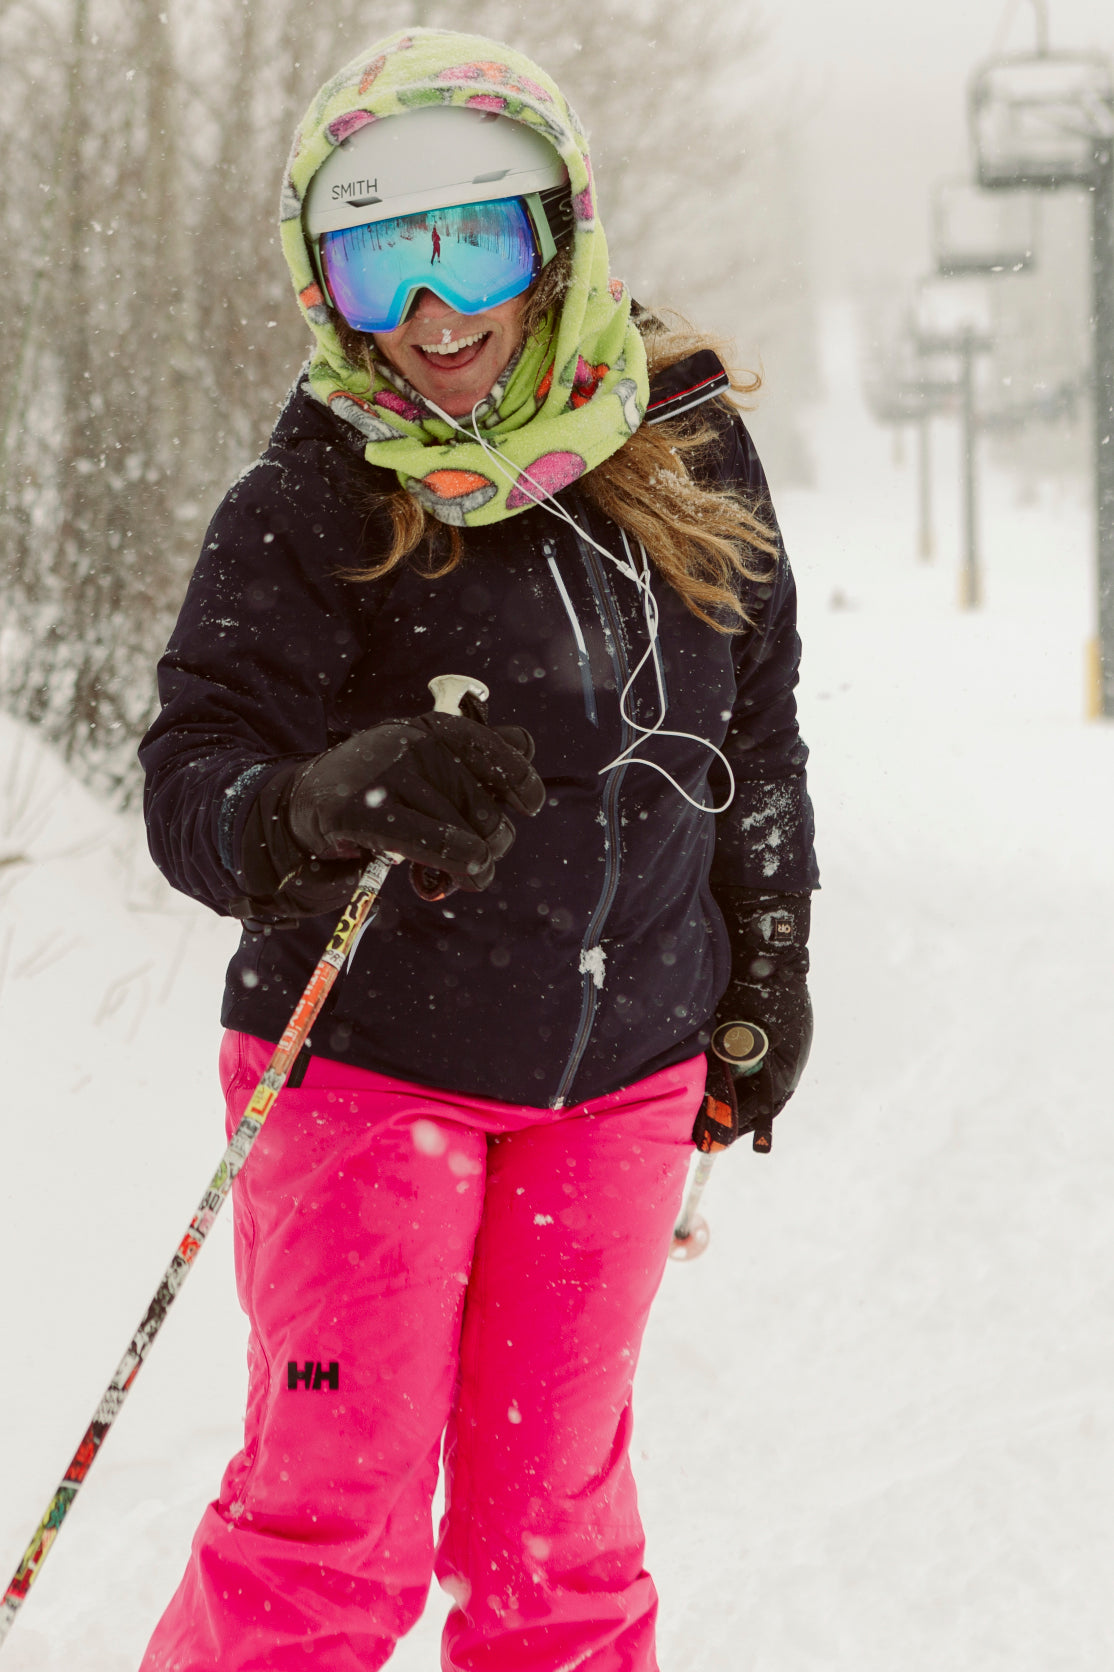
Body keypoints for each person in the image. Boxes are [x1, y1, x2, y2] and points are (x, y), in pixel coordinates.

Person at [138, 26, 817, 1672]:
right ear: (323, 279)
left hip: (623, 1075)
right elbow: (190, 779)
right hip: (366, 1071)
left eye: (474, 240)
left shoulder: (687, 445)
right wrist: (312, 801)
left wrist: (766, 978)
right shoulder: (310, 496)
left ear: (559, 233)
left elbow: (759, 746)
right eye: (379, 262)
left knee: (554, 1548)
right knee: (326, 1528)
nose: (436, 313)